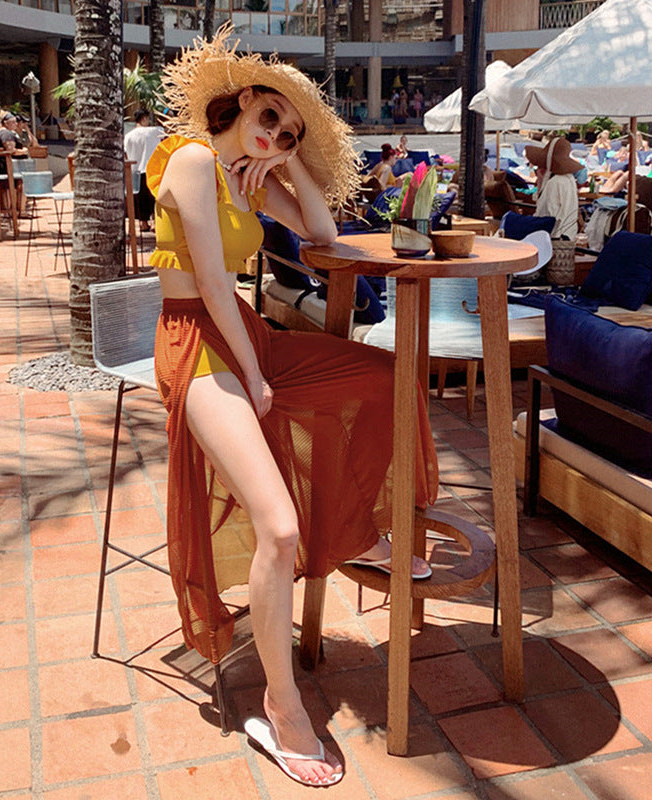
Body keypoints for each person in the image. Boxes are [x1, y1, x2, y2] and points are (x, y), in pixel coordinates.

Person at [147, 27, 438, 787]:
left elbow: (323, 229)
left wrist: (285, 162)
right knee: (278, 527)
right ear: (242, 98)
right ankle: (281, 707)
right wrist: (258, 377)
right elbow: (211, 284)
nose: (274, 132)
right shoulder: (188, 159)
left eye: (289, 128)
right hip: (200, 345)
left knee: (386, 375)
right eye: (270, 116)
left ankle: (360, 528)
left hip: (244, 336)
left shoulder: (251, 171)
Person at [525, 137, 581, 240]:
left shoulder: (554, 183)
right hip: (568, 234)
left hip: (554, 237)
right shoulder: (569, 179)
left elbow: (546, 216)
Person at [124, 108, 165, 231]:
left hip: (136, 170)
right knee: (154, 196)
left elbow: (125, 152)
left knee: (140, 198)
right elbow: (165, 132)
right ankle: (155, 223)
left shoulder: (128, 136)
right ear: (144, 119)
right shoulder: (154, 131)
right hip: (152, 168)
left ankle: (143, 223)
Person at [0, 112, 28, 215]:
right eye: (13, 122)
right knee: (19, 186)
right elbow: (10, 150)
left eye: (16, 122)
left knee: (7, 188)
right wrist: (24, 151)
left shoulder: (2, 133)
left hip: (7, 166)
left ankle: (9, 211)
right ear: (6, 123)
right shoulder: (6, 134)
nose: (16, 124)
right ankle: (19, 211)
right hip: (11, 167)